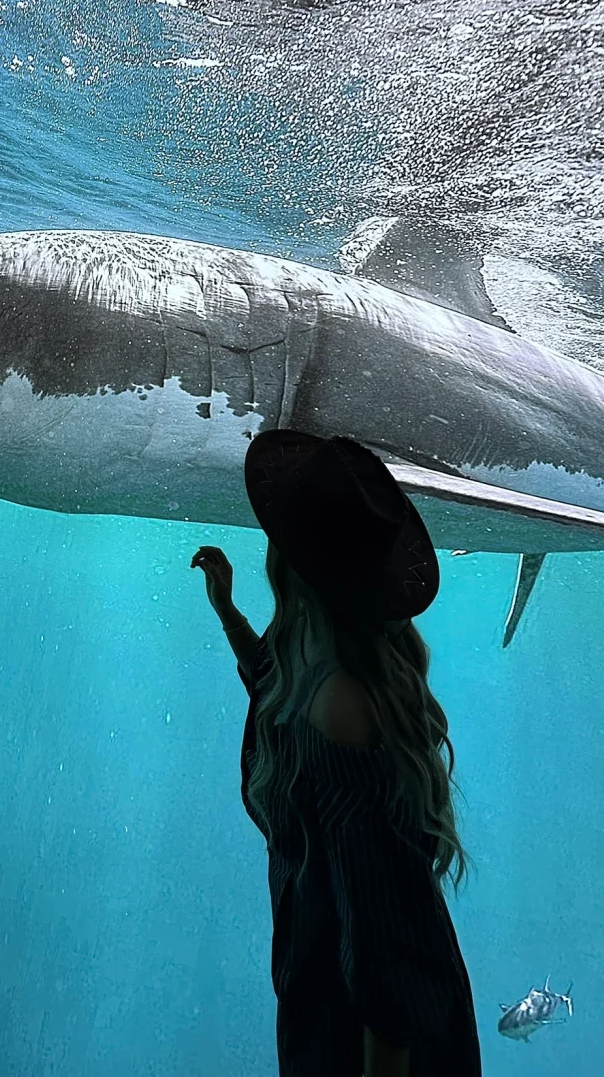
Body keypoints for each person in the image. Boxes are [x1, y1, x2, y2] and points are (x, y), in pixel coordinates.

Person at [191, 430, 482, 1077]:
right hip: (368, 1015)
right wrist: (228, 614)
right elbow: (277, 683)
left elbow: (381, 943)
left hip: (366, 1041)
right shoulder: (342, 661)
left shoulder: (342, 712)